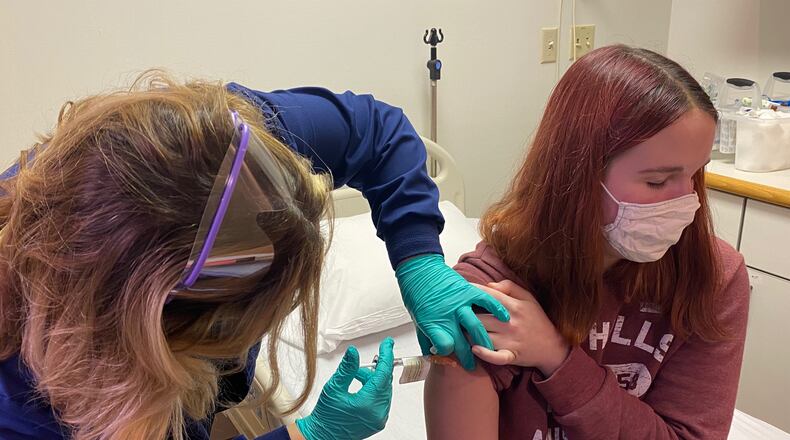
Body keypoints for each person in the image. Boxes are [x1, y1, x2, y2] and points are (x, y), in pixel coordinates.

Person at [0, 73, 507, 440]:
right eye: (246, 332)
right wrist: (307, 435)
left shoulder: (216, 149)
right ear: (160, 338)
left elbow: (378, 132)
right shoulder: (24, 409)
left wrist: (419, 259)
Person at [424, 45, 750, 440]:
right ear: (578, 175)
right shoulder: (490, 293)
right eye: (658, 181)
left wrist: (558, 359)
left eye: (696, 174)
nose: (688, 203)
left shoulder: (714, 276)